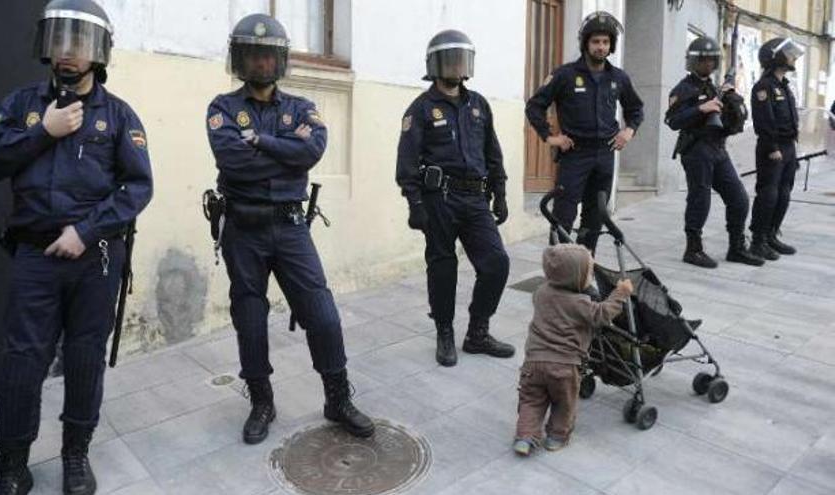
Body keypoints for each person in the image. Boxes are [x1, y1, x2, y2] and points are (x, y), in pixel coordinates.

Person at [0, 1, 153, 493]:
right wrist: (40, 132)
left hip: (95, 260)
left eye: (79, 43)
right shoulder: (22, 104)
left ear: (98, 53)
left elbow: (137, 188)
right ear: (46, 46)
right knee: (21, 359)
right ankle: (12, 463)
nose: (67, 54)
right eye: (60, 41)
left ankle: (76, 454)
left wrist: (86, 231)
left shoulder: (117, 116)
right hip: (34, 257)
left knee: (84, 357)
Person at [206, 13, 374, 445]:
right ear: (241, 60)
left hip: (291, 226)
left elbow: (313, 150)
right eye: (254, 55)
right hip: (242, 228)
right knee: (250, 317)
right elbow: (233, 161)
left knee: (321, 312)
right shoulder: (223, 108)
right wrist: (287, 152)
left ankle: (337, 398)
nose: (262, 63)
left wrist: (262, 142)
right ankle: (261, 401)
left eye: (269, 56)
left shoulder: (302, 107)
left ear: (280, 62)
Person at [396, 29, 514, 368]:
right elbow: (406, 161)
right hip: (439, 200)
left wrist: (501, 192)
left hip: (476, 199)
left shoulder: (479, 105)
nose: (456, 66)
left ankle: (478, 332)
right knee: (443, 267)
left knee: (496, 263)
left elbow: (493, 152)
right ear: (435, 65)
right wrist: (414, 203)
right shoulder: (420, 109)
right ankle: (444, 332)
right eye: (450, 59)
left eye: (461, 59)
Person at [526, 11, 643, 254]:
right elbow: (534, 106)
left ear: (611, 46)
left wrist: (628, 131)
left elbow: (635, 109)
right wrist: (551, 137)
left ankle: (584, 268)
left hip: (605, 154)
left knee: (595, 217)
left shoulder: (618, 78)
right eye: (595, 42)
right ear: (585, 43)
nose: (601, 47)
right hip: (575, 155)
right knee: (563, 216)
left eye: (605, 42)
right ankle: (558, 273)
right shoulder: (565, 75)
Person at [513, 244, 632, 455]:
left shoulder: (541, 293)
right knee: (563, 404)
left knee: (531, 400)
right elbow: (602, 315)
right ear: (574, 278)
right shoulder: (580, 303)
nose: (591, 278)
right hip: (565, 366)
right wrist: (620, 293)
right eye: (589, 273)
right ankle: (556, 438)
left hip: (533, 363)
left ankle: (525, 437)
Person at [666, 36, 763, 268]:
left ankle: (737, 247)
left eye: (711, 60)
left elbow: (728, 119)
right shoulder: (683, 89)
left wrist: (729, 97)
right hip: (696, 150)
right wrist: (701, 108)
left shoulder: (714, 87)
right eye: (703, 60)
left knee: (738, 198)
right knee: (700, 199)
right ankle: (693, 249)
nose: (708, 64)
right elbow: (672, 120)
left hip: (718, 149)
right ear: (693, 62)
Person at [749, 37, 805, 259]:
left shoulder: (784, 86)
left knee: (784, 193)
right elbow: (764, 120)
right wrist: (773, 147)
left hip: (788, 146)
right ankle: (758, 241)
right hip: (772, 147)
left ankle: (771, 234)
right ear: (776, 57)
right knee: (768, 194)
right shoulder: (764, 87)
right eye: (788, 53)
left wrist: (793, 149)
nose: (792, 57)